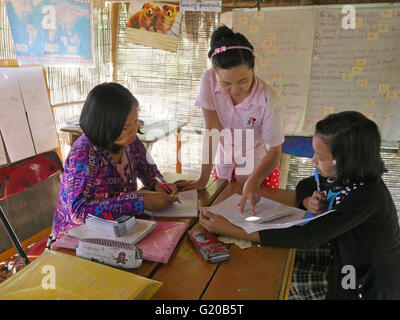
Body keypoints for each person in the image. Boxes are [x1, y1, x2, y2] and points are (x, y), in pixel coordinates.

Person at [199, 111, 400, 299]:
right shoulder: (345, 175)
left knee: (278, 282)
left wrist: (232, 229)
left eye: (320, 157)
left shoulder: (367, 196)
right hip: (340, 251)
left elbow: (307, 237)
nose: (313, 160)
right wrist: (307, 200)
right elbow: (305, 184)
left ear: (344, 161)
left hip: (362, 280)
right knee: (275, 259)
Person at [176, 26, 284, 215]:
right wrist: (203, 179)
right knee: (223, 216)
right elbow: (212, 130)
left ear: (254, 66)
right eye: (225, 83)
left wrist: (254, 180)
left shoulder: (267, 98)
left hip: (259, 169)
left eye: (243, 81)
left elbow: (274, 151)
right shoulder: (208, 81)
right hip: (225, 165)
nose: (235, 90)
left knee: (253, 220)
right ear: (215, 73)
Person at [51, 83, 178, 239]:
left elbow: (147, 169)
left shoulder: (131, 141)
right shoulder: (84, 154)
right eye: (125, 127)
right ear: (103, 127)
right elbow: (78, 211)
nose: (133, 131)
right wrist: (138, 201)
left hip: (123, 228)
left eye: (136, 121)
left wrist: (159, 184)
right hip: (78, 238)